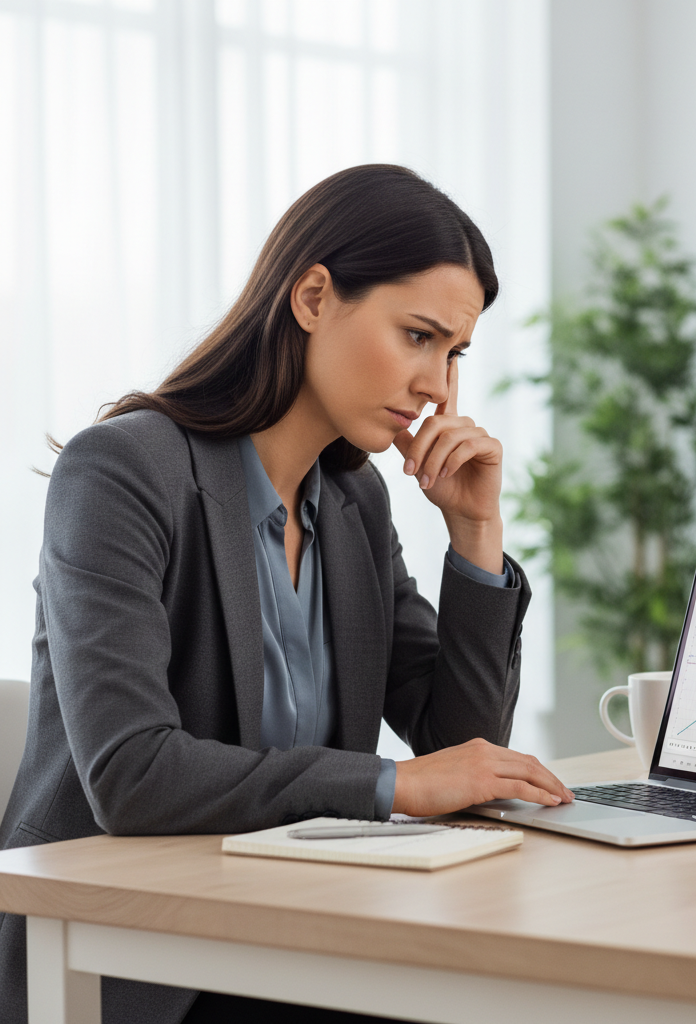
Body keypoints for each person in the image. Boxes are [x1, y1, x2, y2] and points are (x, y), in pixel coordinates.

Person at [0, 165, 572, 1024]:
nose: (439, 388)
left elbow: (458, 745)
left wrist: (476, 539)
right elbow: (133, 774)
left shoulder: (351, 503)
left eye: (453, 353)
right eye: (418, 336)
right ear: (312, 297)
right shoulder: (121, 471)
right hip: (134, 958)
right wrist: (392, 785)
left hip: (296, 934)